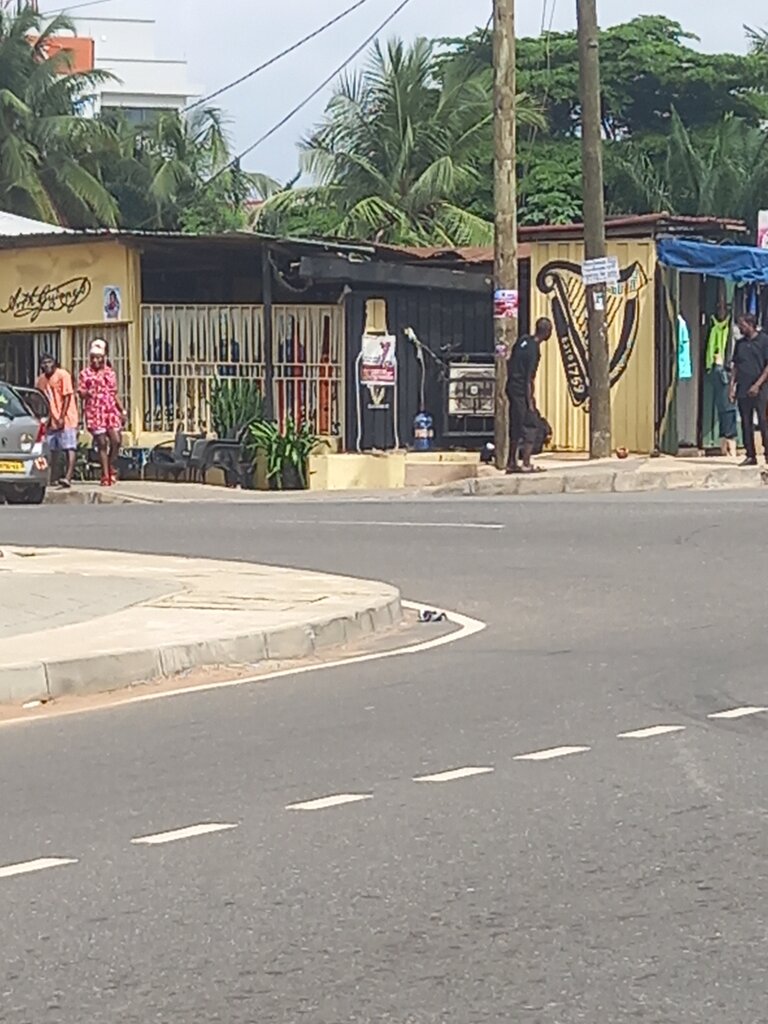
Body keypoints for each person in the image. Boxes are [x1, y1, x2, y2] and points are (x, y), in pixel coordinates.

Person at [505, 317, 553, 473]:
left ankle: (511, 461)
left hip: (511, 387)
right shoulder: (534, 350)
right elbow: (529, 379)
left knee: (515, 425)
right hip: (520, 390)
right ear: (546, 332)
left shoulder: (523, 341)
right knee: (530, 425)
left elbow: (510, 362)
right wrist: (530, 402)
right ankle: (525, 463)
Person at [78, 339, 125, 486]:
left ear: (104, 358)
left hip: (110, 410)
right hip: (94, 410)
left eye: (98, 357)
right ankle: (105, 475)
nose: (95, 360)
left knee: (116, 441)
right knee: (102, 443)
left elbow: (114, 393)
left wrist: (121, 410)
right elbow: (80, 392)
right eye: (92, 357)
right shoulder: (85, 374)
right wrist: (87, 393)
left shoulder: (110, 373)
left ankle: (110, 467)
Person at [729, 314, 768, 465]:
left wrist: (757, 385)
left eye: (742, 325)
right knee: (746, 422)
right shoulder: (740, 344)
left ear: (751, 325)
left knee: (763, 421)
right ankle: (750, 454)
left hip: (761, 388)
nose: (740, 328)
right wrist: (732, 387)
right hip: (743, 388)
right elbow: (736, 366)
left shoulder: (764, 341)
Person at [35, 354, 78, 489]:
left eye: (49, 362)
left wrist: (61, 417)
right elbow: (39, 399)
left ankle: (68, 477)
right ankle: (52, 477)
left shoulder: (63, 375)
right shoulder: (41, 380)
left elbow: (67, 397)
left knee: (69, 447)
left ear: (55, 363)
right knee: (51, 449)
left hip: (67, 418)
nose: (47, 365)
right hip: (50, 419)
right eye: (44, 363)